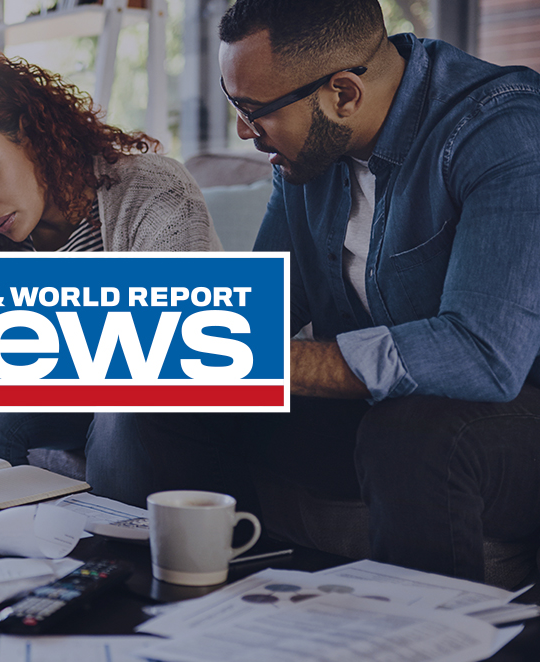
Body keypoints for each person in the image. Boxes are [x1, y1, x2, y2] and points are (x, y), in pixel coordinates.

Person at [93, 0, 540, 583]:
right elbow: (263, 310)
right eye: (235, 104)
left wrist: (277, 363)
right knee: (166, 400)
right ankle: (200, 604)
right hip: (376, 412)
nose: (243, 131)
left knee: (412, 433)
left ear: (343, 94)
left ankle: (420, 628)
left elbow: (484, 354)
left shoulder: (502, 131)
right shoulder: (308, 157)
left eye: (254, 111)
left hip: (505, 420)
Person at [0, 55, 221, 491]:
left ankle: (116, 537)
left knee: (122, 406)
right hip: (80, 401)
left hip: (167, 403)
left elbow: (162, 341)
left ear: (31, 136)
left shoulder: (154, 191)